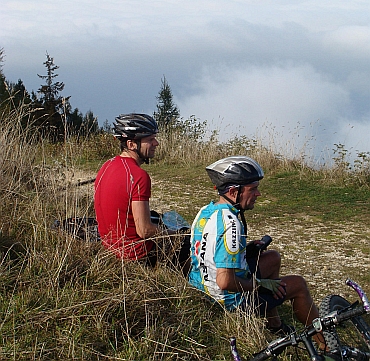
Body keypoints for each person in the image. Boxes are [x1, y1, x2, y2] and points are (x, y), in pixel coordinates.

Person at [188, 156, 328, 350]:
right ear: (233, 191)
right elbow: (225, 281)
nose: (258, 193)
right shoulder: (231, 224)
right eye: (252, 189)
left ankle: (275, 325)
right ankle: (327, 346)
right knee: (299, 285)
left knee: (272, 258)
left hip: (202, 288)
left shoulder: (207, 211)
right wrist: (258, 285)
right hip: (228, 302)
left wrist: (245, 249)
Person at [94, 113, 190, 271]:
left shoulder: (107, 165)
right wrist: (175, 234)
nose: (156, 143)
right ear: (132, 144)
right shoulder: (138, 176)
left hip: (110, 249)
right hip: (136, 256)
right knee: (191, 244)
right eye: (150, 139)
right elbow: (145, 230)